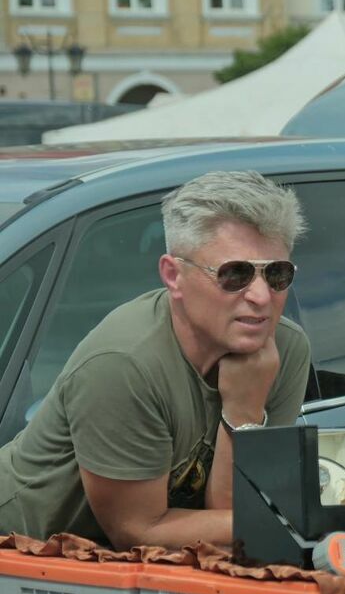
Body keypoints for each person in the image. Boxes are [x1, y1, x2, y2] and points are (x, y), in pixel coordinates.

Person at [0, 170, 311, 550]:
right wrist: (293, 519)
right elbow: (138, 532)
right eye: (235, 274)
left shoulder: (285, 350)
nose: (262, 296)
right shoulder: (124, 363)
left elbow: (232, 524)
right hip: (21, 557)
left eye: (277, 273)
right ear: (173, 275)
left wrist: (243, 413)